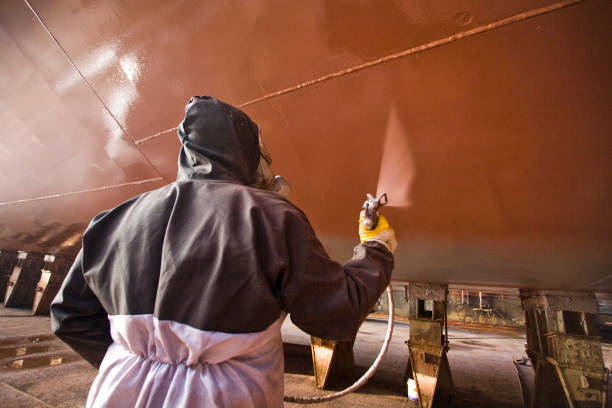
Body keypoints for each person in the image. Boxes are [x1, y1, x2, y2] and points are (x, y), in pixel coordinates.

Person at [51, 96, 397, 407]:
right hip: (225, 396)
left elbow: (70, 316)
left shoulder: (114, 219)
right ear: (243, 151)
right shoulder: (271, 215)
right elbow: (334, 314)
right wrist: (376, 250)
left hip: (119, 391)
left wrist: (138, 362)